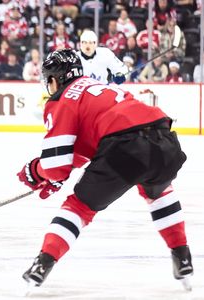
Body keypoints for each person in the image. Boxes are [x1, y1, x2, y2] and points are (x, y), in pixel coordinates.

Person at [17, 49, 193, 289]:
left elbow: (55, 166)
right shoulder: (98, 85)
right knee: (159, 191)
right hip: (164, 139)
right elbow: (81, 148)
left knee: (79, 207)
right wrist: (56, 174)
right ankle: (182, 257)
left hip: (125, 147)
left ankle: (43, 263)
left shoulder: (62, 99)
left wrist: (35, 172)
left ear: (54, 80)